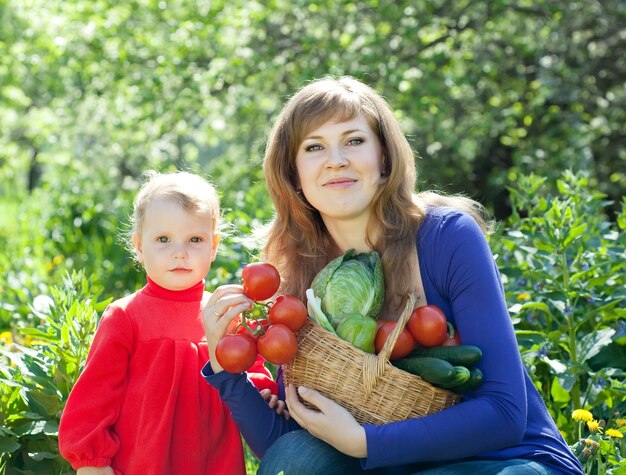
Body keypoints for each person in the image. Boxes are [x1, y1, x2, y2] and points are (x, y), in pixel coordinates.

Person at [201, 76, 584, 474]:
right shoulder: (296, 283)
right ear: (294, 175)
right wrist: (224, 367)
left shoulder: (446, 236)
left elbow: (504, 413)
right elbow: (294, 448)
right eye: (315, 147)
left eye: (354, 140)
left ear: (384, 158)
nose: (337, 160)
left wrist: (363, 442)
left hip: (507, 463)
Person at [58, 170, 280, 475]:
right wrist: (93, 465)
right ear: (138, 246)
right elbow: (91, 405)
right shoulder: (125, 317)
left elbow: (250, 371)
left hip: (214, 466)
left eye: (195, 240)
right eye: (163, 239)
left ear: (213, 246)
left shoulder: (224, 314)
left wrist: (264, 391)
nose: (180, 253)